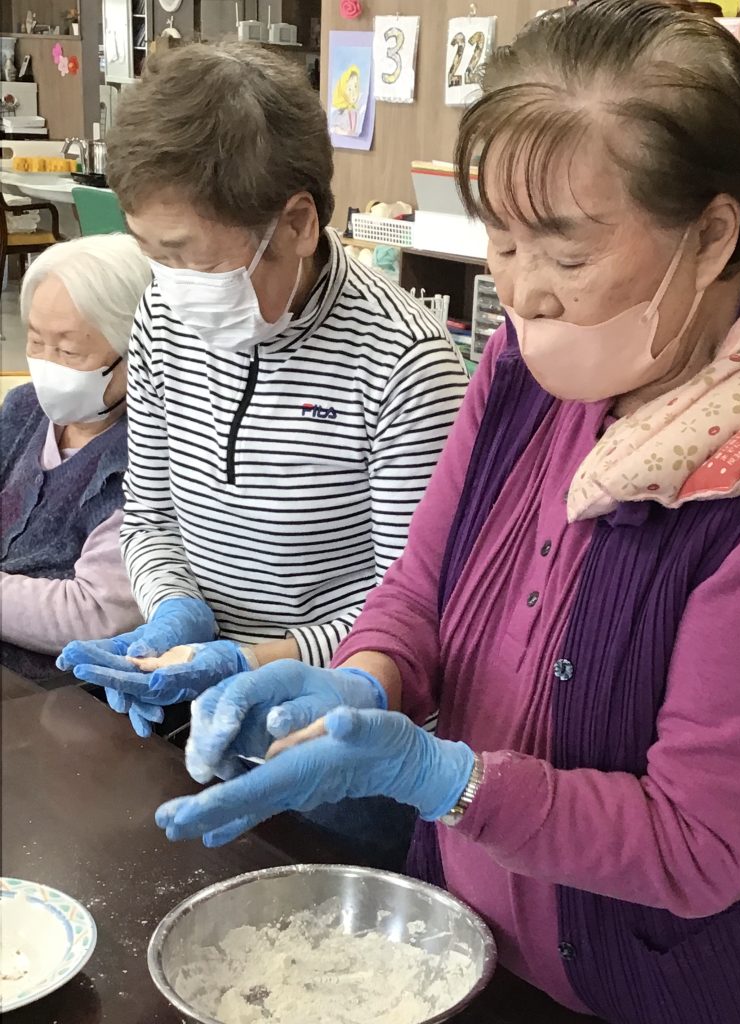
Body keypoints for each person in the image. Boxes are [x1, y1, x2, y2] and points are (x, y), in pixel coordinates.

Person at [154, 4, 740, 1023]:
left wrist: (441, 776)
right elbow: (419, 589)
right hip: (478, 943)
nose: (525, 293)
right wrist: (356, 685)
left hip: (685, 990)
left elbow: (698, 842)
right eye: (500, 244)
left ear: (713, 233)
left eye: (567, 258)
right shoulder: (523, 372)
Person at [58, 43, 467, 864]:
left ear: (297, 224)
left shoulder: (404, 364)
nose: (168, 279)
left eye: (187, 253)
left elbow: (413, 610)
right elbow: (152, 515)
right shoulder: (166, 320)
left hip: (330, 744)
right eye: (152, 253)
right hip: (188, 714)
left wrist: (253, 660)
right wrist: (175, 613)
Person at [1, 235, 149, 683]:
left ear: (136, 352)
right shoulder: (24, 409)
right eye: (36, 343)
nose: (48, 365)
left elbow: (94, 614)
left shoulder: (146, 454)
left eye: (68, 351)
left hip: (60, 693)